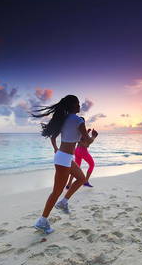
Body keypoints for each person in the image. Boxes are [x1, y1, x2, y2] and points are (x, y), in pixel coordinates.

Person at [31, 95, 98, 234]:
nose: (80, 106)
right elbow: (86, 142)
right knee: (56, 192)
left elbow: (54, 137)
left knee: (81, 178)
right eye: (78, 104)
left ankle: (64, 202)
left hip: (64, 157)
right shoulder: (79, 120)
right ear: (73, 105)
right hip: (64, 159)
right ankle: (42, 221)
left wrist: (55, 149)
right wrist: (93, 137)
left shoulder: (64, 119)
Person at [66, 118, 98, 189]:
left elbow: (81, 140)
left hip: (77, 151)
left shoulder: (76, 130)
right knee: (92, 164)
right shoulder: (82, 131)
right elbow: (86, 145)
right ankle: (85, 181)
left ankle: (69, 184)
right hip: (82, 151)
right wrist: (93, 137)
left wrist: (87, 132)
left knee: (76, 168)